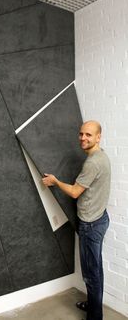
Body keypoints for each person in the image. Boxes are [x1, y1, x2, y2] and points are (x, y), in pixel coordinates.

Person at [42, 120, 111, 320]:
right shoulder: (101, 156)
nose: (83, 138)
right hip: (100, 219)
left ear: (98, 137)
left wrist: (54, 181)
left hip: (91, 225)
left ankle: (94, 317)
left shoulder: (92, 163)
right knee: (95, 269)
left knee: (91, 274)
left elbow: (74, 192)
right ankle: (93, 305)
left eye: (88, 135)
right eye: (81, 134)